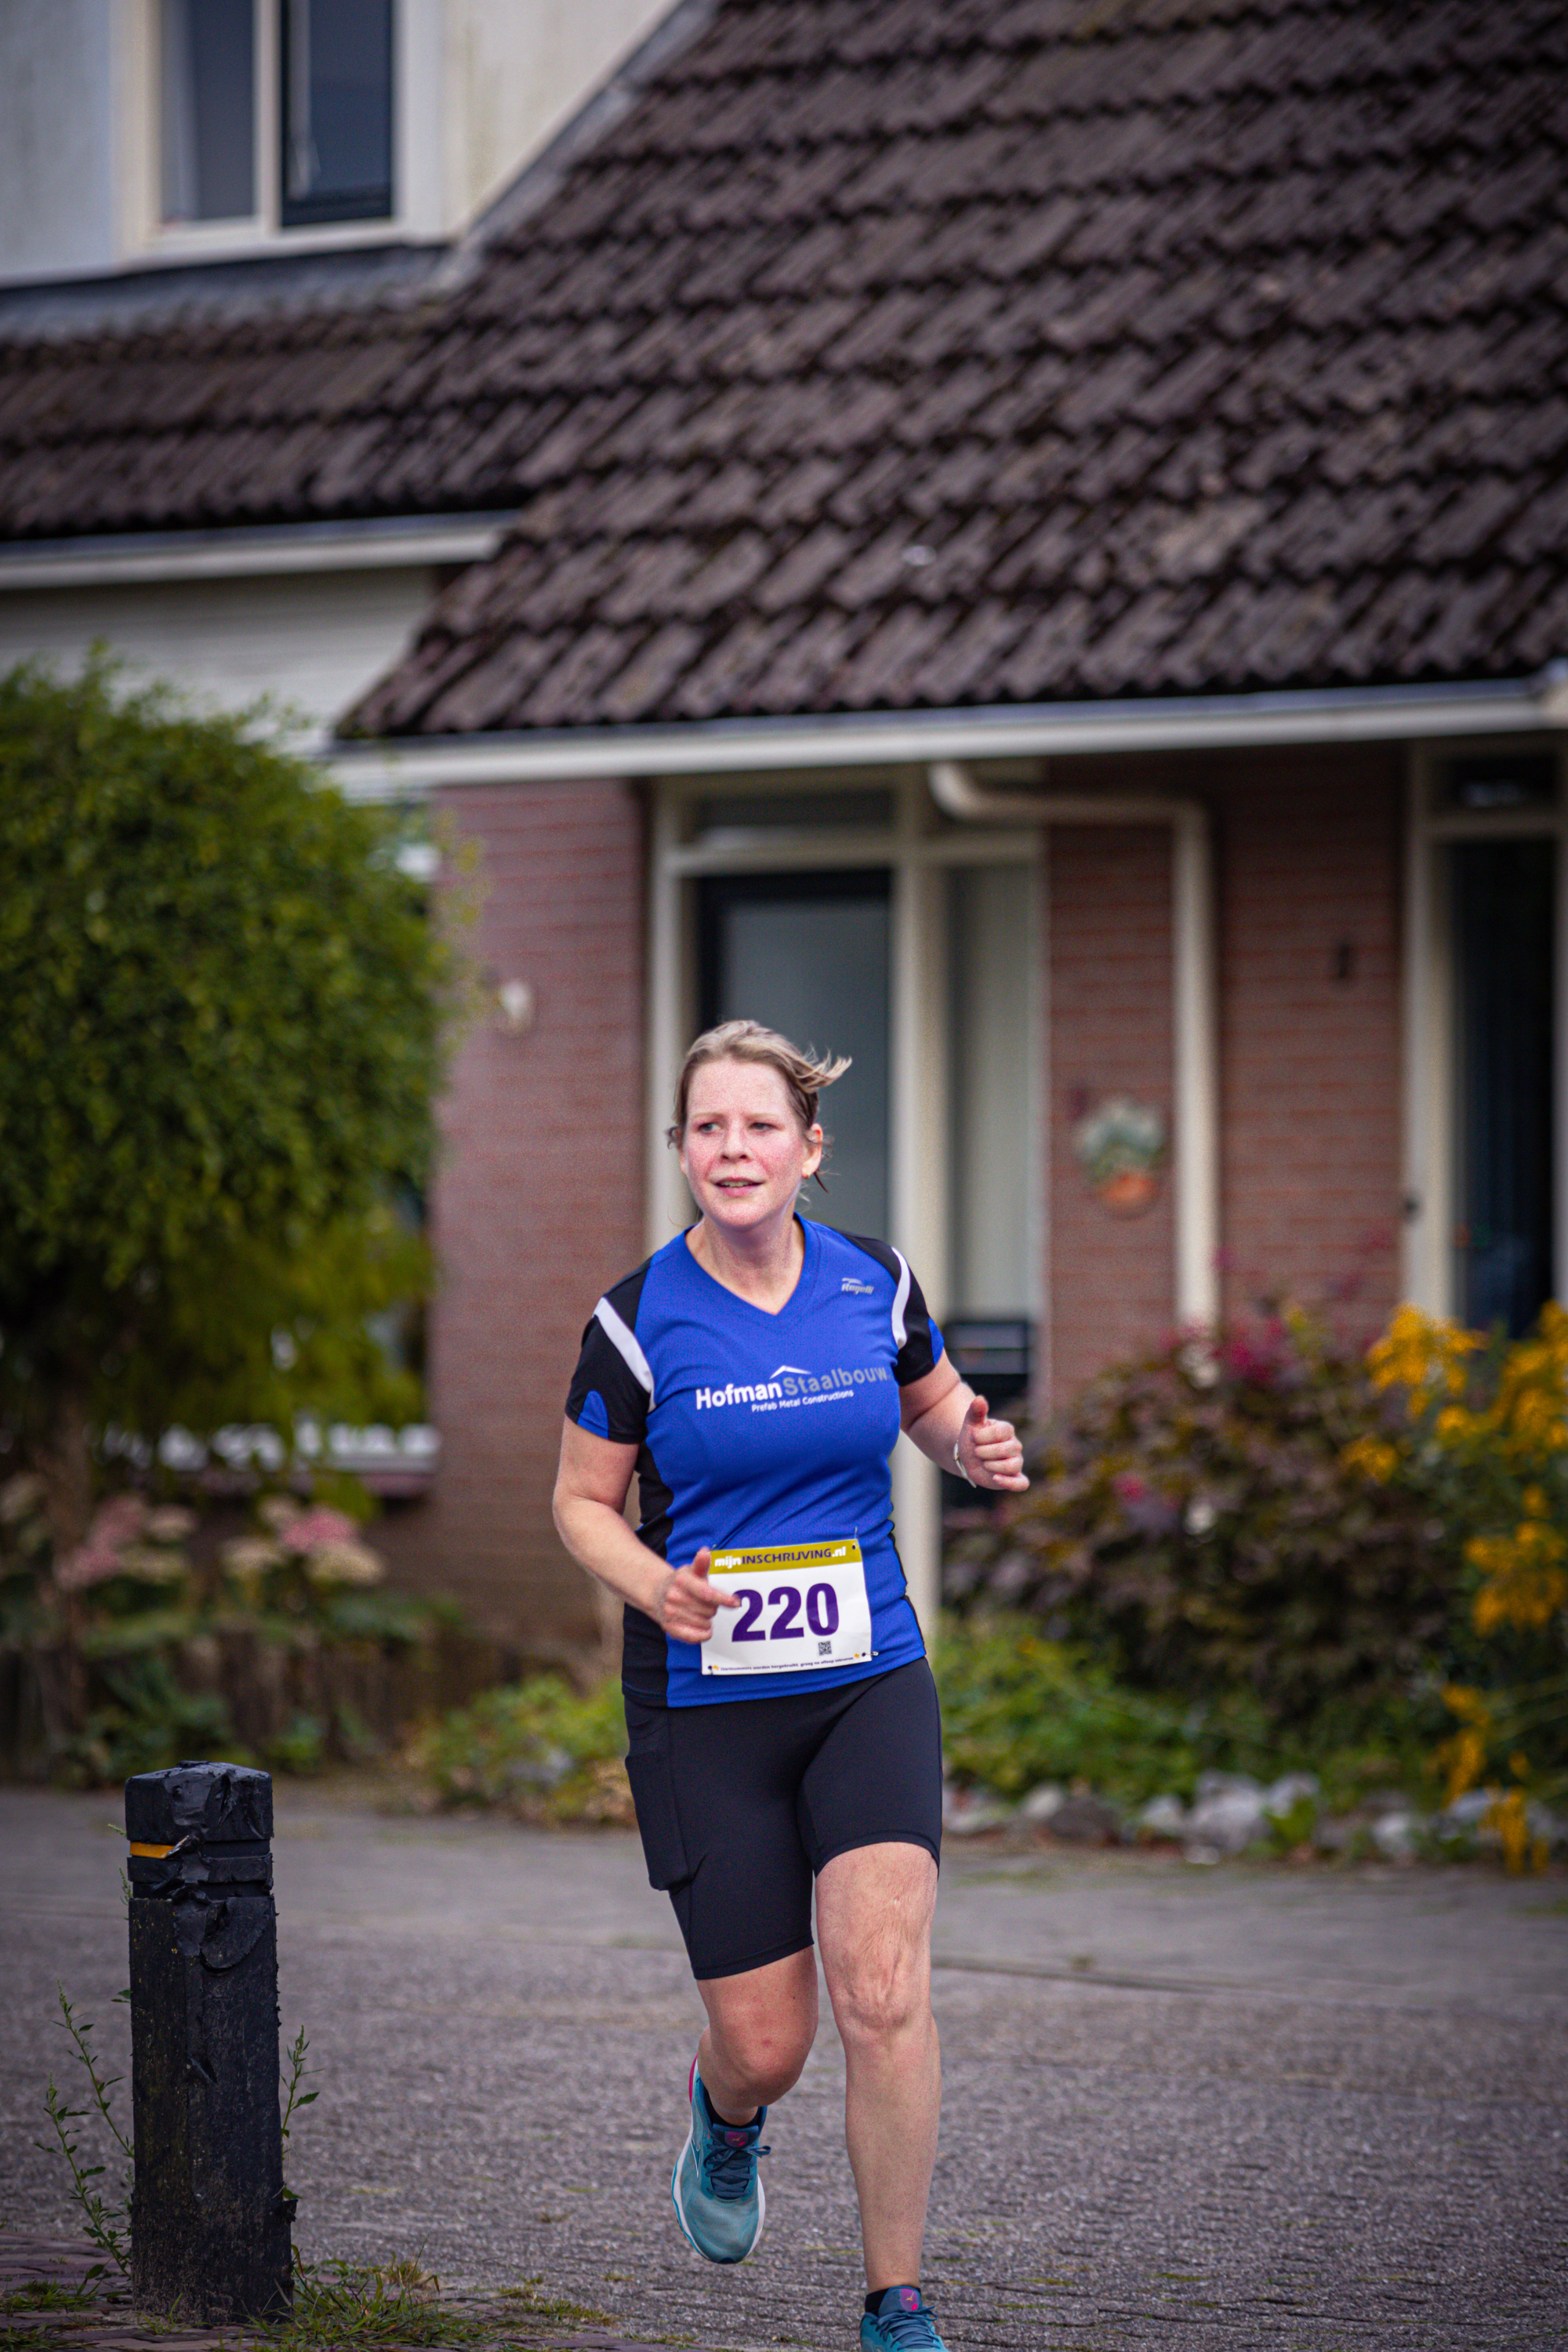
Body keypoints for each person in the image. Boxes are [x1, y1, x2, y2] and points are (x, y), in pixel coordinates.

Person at [553, 1018, 1027, 2352]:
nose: (734, 1149)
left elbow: (931, 1405)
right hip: (705, 1701)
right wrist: (655, 1587)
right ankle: (729, 2120)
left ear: (809, 1149)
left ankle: (896, 2303)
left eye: (761, 1126)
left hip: (866, 1671)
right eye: (709, 1127)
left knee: (884, 1987)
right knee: (769, 2040)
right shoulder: (637, 1322)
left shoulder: (873, 1283)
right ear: (683, 1150)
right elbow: (582, 1504)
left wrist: (972, 1446)